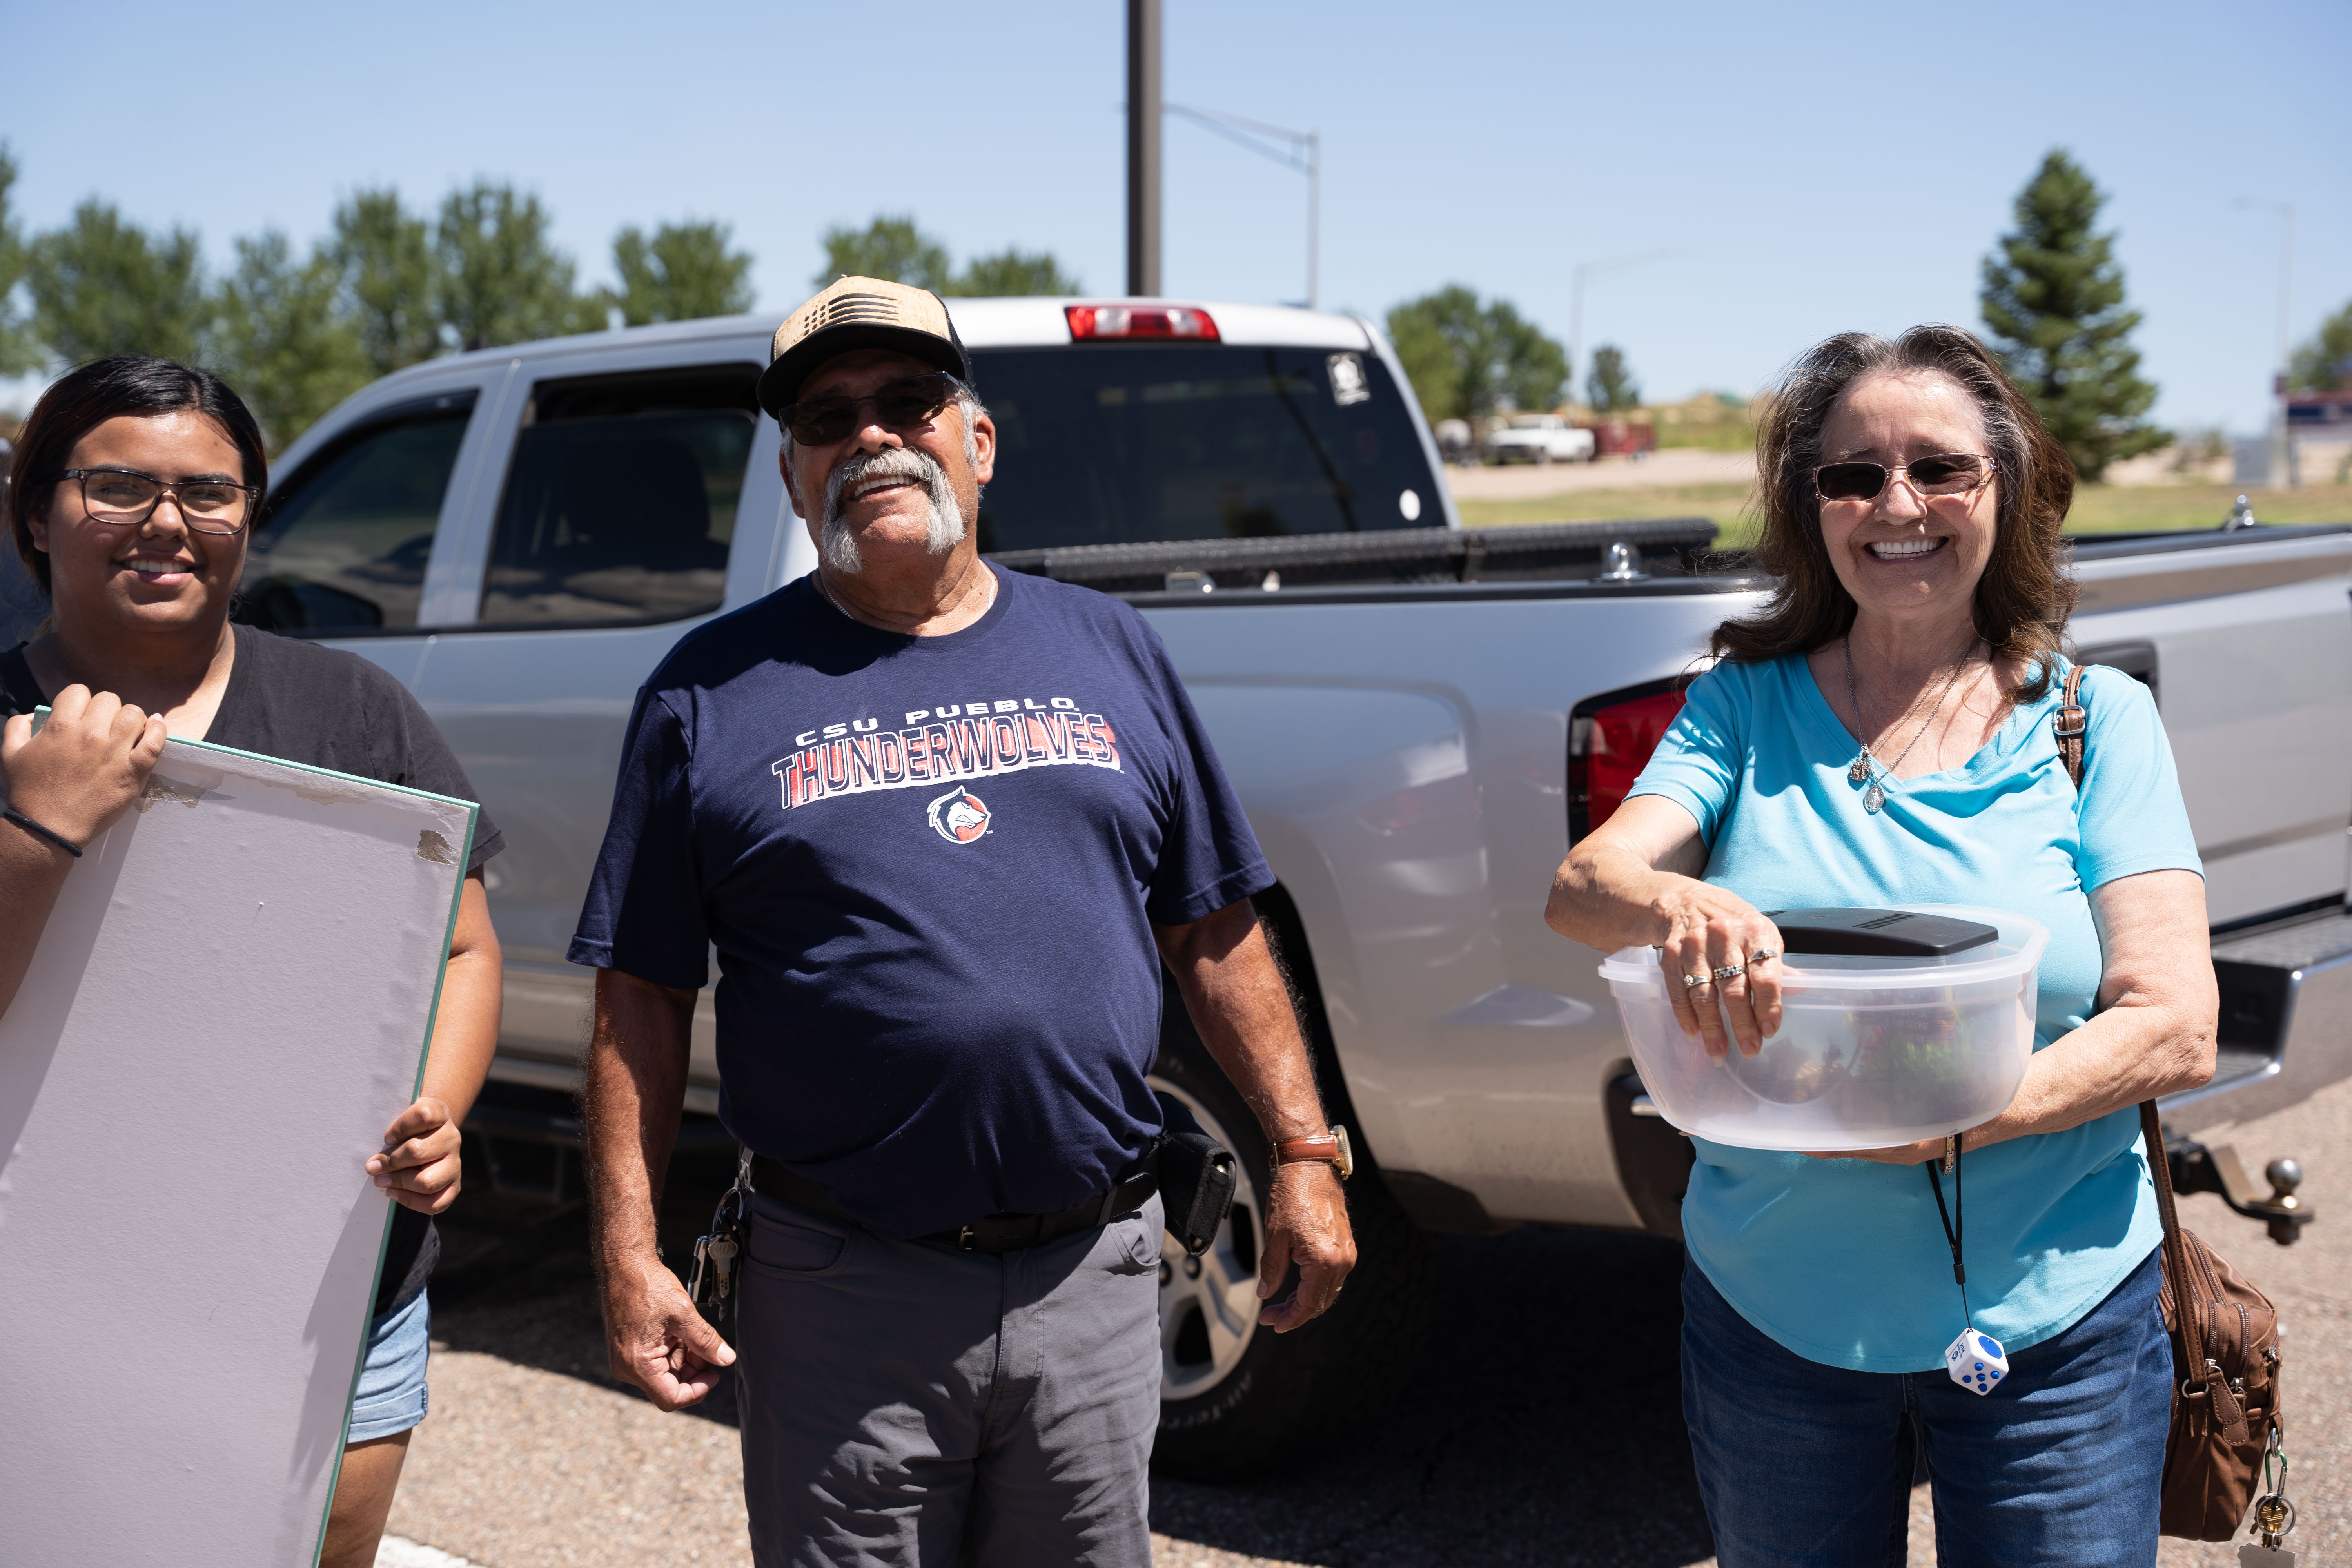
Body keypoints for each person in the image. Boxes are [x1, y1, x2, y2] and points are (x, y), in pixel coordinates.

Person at [573, 276, 1358, 1567]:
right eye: (829, 418)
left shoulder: (1112, 650)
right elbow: (641, 992)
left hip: (1094, 1275)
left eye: (908, 402)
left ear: (977, 443)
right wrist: (626, 1247)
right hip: (840, 1288)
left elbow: (1213, 923)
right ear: (794, 476)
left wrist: (1305, 1152)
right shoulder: (705, 693)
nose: (872, 435)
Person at [1544, 325, 2217, 1567]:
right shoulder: (1742, 706)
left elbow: (2177, 1021)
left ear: (2004, 493)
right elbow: (1588, 885)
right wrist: (1680, 908)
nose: (1896, 505)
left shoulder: (2092, 721)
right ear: (1815, 511)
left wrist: (1967, 1111)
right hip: (1775, 1319)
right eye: (1853, 476)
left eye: (1941, 469)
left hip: (2055, 1326)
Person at [0, 356, 505, 1568]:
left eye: (210, 493)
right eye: (117, 483)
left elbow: (470, 947)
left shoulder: (357, 715)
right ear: (34, 513)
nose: (167, 522)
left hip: (320, 1290)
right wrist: (40, 826)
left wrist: (440, 1106)